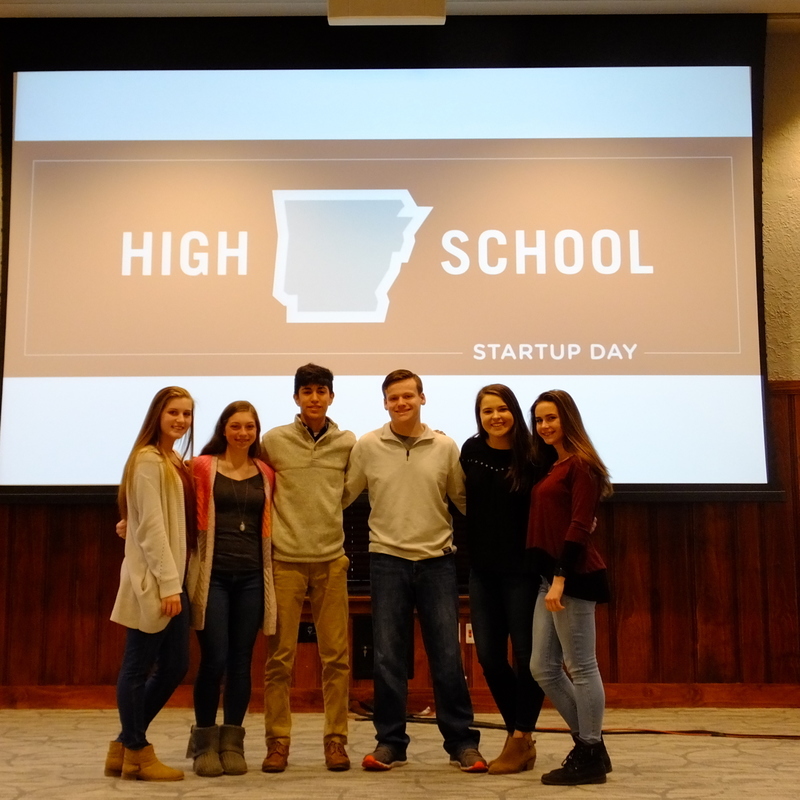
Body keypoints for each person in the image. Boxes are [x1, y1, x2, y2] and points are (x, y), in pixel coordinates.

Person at [343, 369, 485, 773]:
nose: (401, 403)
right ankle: (390, 743)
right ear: (385, 403)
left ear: (423, 398)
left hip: (437, 561)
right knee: (388, 658)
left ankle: (462, 743)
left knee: (446, 658)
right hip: (386, 560)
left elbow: (462, 500)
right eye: (393, 398)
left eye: (408, 396)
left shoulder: (445, 446)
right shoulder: (368, 446)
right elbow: (343, 494)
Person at [260, 364, 356, 772]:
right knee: (279, 658)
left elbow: (350, 490)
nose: (314, 397)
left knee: (336, 657)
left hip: (332, 561)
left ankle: (336, 740)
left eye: (321, 390)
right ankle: (277, 742)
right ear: (296, 397)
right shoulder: (273, 441)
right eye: (307, 391)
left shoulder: (348, 442)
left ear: (331, 396)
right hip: (285, 562)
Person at [106, 386, 195, 782]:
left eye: (187, 414)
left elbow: (147, 516)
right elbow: (154, 528)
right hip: (157, 581)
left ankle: (124, 745)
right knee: (138, 666)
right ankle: (137, 751)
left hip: (171, 578)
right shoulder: (147, 459)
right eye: (173, 412)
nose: (180, 420)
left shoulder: (171, 458)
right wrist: (169, 585)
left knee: (175, 665)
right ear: (157, 415)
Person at [185, 401, 277, 777]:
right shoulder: (201, 467)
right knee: (214, 659)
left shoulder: (266, 472)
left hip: (253, 576)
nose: (243, 433)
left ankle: (232, 743)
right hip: (213, 577)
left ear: (257, 432)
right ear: (224, 428)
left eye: (250, 427)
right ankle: (205, 743)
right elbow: (172, 502)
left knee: (241, 661)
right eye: (235, 426)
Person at [527, 389, 613, 786]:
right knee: (542, 667)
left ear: (568, 420)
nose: (545, 426)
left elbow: (579, 525)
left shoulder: (582, 465)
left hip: (572, 577)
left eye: (551, 418)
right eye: (539, 420)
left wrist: (560, 579)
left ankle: (589, 751)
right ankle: (591, 746)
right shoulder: (554, 465)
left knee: (581, 666)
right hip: (551, 577)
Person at [460, 384, 545, 774]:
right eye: (486, 411)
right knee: (490, 657)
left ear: (514, 411)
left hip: (524, 571)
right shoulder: (470, 452)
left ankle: (519, 737)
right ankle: (520, 736)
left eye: (502, 409)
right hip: (483, 570)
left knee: (529, 658)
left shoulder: (534, 455)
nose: (495, 417)